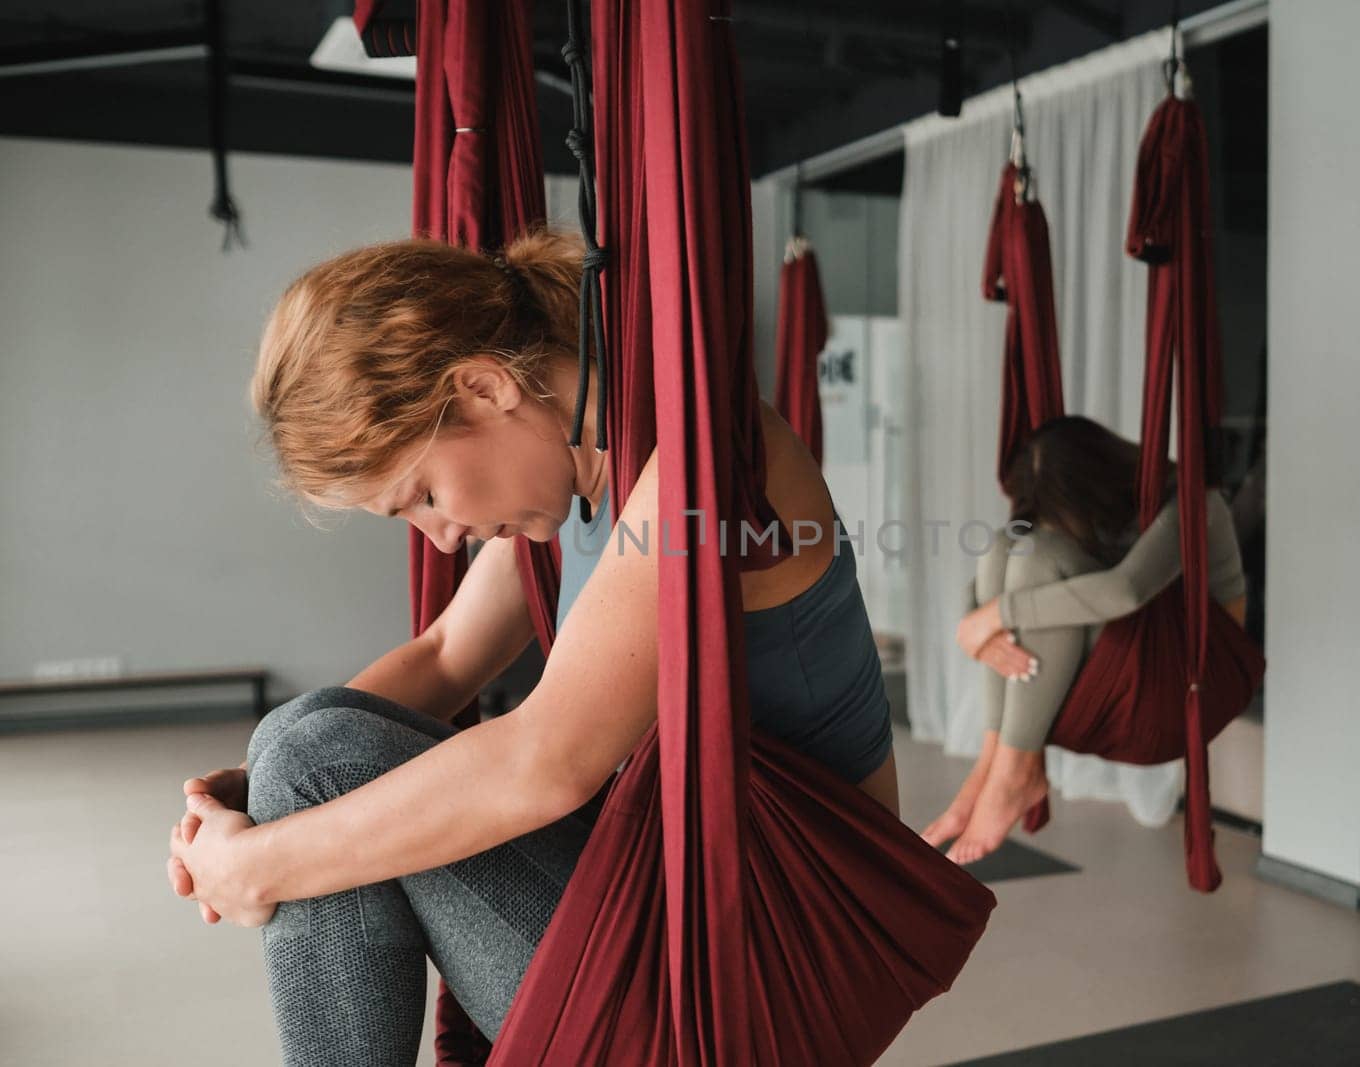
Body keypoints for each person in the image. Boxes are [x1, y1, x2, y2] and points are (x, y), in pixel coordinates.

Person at [163, 228, 897, 1065]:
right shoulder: (577, 479)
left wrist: (258, 863)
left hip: (769, 971)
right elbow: (444, 657)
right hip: (671, 909)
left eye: (424, 495)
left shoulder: (706, 466)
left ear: (482, 387)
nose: (439, 540)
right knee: (295, 744)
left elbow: (545, 762)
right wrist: (259, 791)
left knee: (314, 758)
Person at [920, 415, 1247, 864]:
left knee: (1039, 562)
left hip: (1191, 675)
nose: (1061, 522)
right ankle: (995, 760)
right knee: (1006, 547)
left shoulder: (1194, 504)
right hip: (1134, 653)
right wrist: (973, 626)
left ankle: (1015, 770)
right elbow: (995, 567)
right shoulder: (1101, 511)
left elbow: (1125, 590)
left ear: (1096, 486)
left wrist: (996, 616)